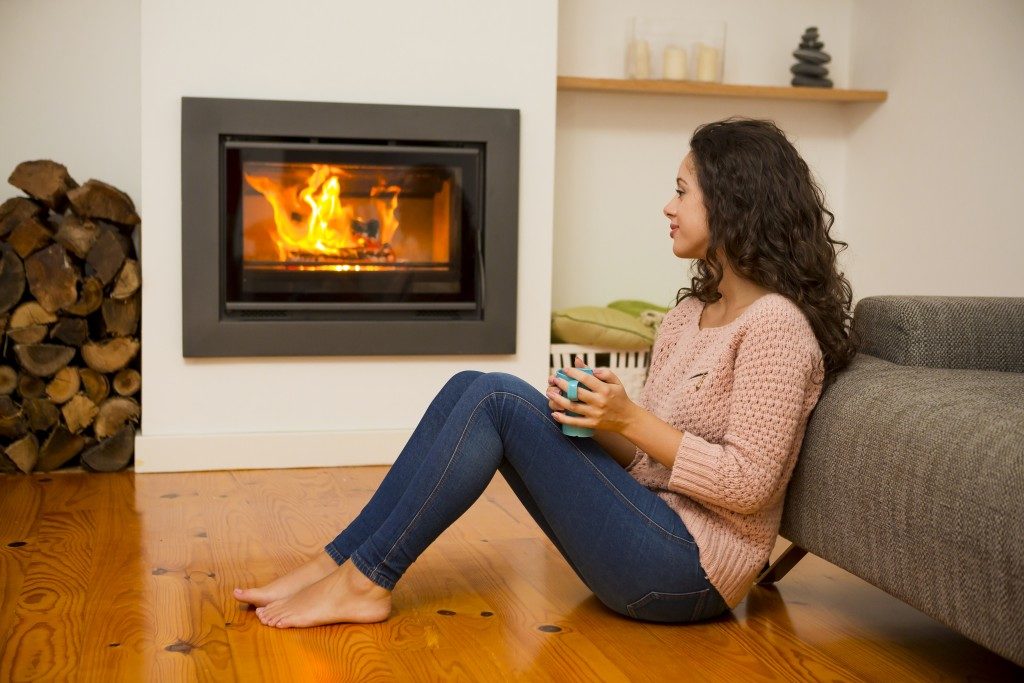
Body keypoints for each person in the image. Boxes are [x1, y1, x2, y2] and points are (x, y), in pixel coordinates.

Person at [234, 117, 857, 629]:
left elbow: (751, 484)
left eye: (682, 190)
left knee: (498, 400)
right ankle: (337, 562)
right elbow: (648, 466)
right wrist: (593, 417)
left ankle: (365, 582)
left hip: (690, 575)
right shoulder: (687, 316)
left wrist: (631, 419)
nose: (667, 206)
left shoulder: (776, 327)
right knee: (472, 388)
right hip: (649, 527)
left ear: (733, 204)